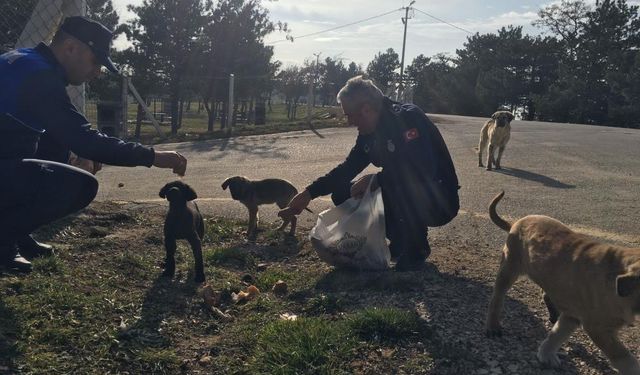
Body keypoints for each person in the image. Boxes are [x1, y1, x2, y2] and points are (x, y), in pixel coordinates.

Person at [0, 16, 187, 273]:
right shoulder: (40, 78)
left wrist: (80, 148)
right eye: (95, 61)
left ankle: (17, 233)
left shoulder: (24, 59)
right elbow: (85, 140)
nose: (97, 72)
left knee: (55, 146)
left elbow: (66, 132)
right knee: (81, 185)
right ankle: (4, 239)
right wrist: (152, 156)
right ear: (70, 48)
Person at [279, 76, 460, 271]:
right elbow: (348, 168)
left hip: (439, 200)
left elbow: (423, 169)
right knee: (343, 192)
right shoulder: (369, 132)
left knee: (398, 186)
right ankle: (399, 241)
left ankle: (416, 248)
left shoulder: (407, 118)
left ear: (366, 109)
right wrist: (308, 194)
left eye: (349, 115)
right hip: (407, 190)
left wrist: (377, 179)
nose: (349, 122)